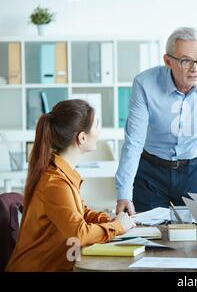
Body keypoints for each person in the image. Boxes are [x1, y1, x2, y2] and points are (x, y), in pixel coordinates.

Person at [115, 27, 197, 215]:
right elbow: (134, 141)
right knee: (151, 235)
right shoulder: (144, 83)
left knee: (193, 235)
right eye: (186, 61)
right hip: (151, 171)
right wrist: (124, 194)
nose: (195, 68)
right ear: (168, 61)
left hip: (192, 169)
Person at [6, 100, 135, 272]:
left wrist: (112, 219)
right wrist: (117, 227)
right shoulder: (55, 182)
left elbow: (81, 214)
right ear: (82, 138)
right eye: (96, 127)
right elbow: (78, 234)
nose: (99, 132)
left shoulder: (61, 173)